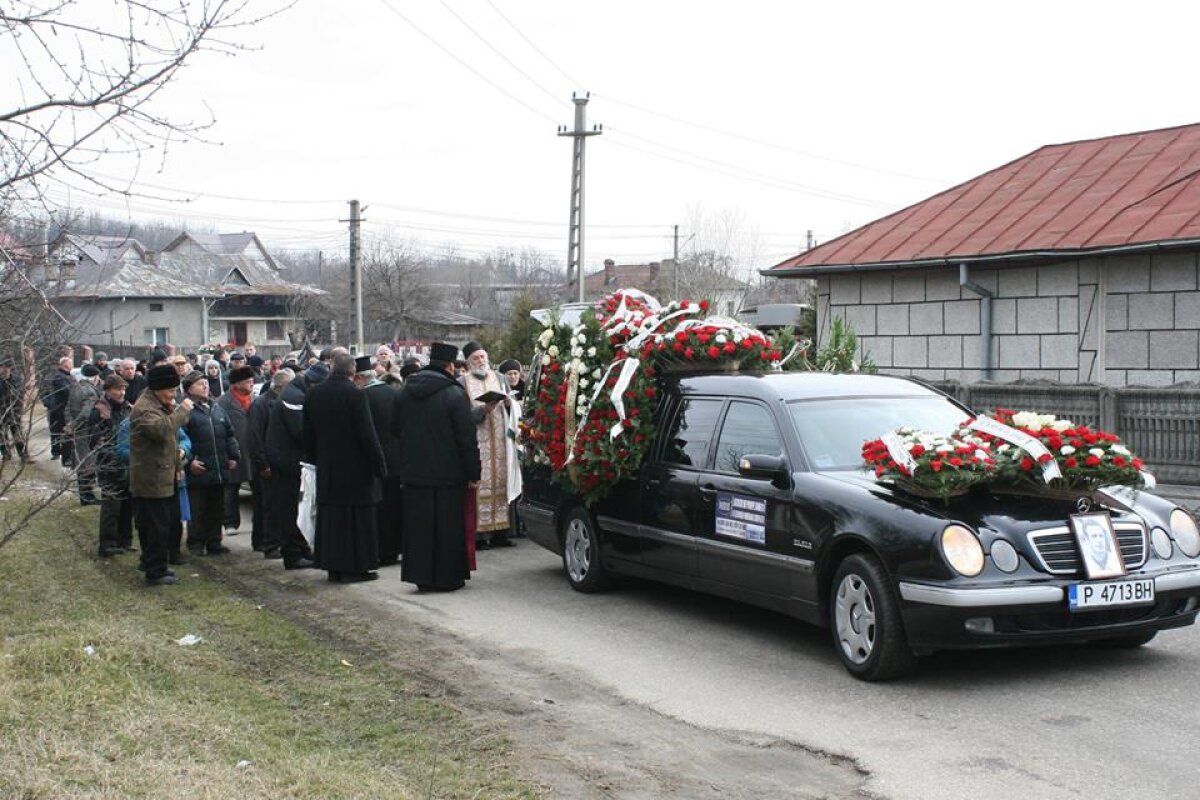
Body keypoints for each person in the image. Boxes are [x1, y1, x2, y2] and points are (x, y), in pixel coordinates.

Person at [395, 342, 480, 592]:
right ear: (450, 366)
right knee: (447, 527)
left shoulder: (405, 392)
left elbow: (393, 428)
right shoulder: (454, 395)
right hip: (447, 475)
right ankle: (447, 577)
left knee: (419, 528)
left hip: (413, 473)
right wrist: (473, 472)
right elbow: (466, 439)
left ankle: (421, 577)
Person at [303, 353, 387, 583]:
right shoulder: (356, 395)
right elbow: (367, 435)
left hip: (328, 467)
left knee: (332, 519)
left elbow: (308, 434)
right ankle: (355, 567)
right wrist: (380, 466)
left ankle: (333, 566)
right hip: (356, 468)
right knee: (356, 521)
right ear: (353, 373)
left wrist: (315, 459)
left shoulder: (313, 394)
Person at [129, 365, 192, 585]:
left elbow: (170, 442)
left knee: (157, 524)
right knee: (155, 526)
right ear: (157, 388)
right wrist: (181, 411)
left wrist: (178, 467)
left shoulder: (158, 404)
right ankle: (155, 570)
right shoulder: (145, 408)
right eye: (170, 390)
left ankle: (153, 562)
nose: (173, 395)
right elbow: (162, 431)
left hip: (162, 474)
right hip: (151, 478)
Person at [265, 363, 325, 570]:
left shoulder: (295, 393)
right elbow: (300, 432)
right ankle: (293, 553)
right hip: (288, 462)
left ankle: (301, 549)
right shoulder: (294, 399)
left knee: (295, 507)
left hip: (289, 460)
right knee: (291, 508)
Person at [459, 341, 518, 549]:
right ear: (468, 362)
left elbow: (513, 409)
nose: (481, 361)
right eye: (476, 358)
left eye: (483, 357)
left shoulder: (500, 378)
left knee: (502, 483)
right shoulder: (462, 383)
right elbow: (462, 417)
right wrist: (484, 410)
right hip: (478, 441)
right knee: (480, 485)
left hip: (501, 441)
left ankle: (501, 533)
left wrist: (511, 404)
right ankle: (480, 536)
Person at [181, 371, 240, 557]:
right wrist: (189, 462)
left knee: (217, 507)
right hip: (198, 469)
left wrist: (233, 456)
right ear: (189, 389)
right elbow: (179, 439)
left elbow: (229, 434)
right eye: (200, 384)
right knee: (198, 509)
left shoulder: (217, 408)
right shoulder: (185, 411)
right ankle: (196, 543)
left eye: (206, 383)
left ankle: (215, 542)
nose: (205, 387)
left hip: (219, 468)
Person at [361, 355, 404, 565]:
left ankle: (379, 550)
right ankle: (394, 548)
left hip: (374, 460)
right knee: (393, 506)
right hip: (395, 459)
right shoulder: (391, 391)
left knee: (377, 508)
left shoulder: (362, 396)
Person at [248, 368, 293, 558]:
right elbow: (256, 437)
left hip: (279, 462)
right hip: (267, 463)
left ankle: (274, 541)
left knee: (276, 504)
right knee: (268, 506)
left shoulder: (279, 402)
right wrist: (262, 463)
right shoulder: (261, 404)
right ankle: (269, 543)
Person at [90, 375, 132, 557]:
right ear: (108, 390)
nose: (122, 392)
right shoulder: (99, 410)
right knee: (111, 506)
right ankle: (107, 543)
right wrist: (111, 455)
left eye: (124, 389)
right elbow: (95, 440)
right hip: (109, 464)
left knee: (127, 504)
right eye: (118, 389)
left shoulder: (128, 408)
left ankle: (125, 540)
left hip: (128, 462)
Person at [217, 365, 255, 533]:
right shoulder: (224, 402)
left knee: (258, 489)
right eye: (248, 382)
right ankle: (230, 522)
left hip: (253, 451)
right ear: (237, 384)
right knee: (231, 488)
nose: (251, 385)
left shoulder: (254, 400)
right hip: (234, 451)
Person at [67, 363, 104, 504]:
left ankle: (86, 495)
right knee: (87, 463)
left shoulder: (76, 387)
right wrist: (75, 425)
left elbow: (67, 408)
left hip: (79, 431)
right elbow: (86, 413)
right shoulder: (89, 391)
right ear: (95, 377)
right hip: (87, 431)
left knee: (81, 461)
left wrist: (70, 424)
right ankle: (87, 496)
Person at [41, 355, 74, 463]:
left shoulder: (68, 376)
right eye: (70, 363)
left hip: (60, 409)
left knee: (59, 432)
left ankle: (61, 454)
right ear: (65, 365)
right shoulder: (60, 377)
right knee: (62, 432)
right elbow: (68, 391)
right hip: (60, 410)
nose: (72, 365)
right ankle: (63, 456)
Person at [0, 358, 29, 463]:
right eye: (2, 367)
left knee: (18, 433)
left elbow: (20, 392)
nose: (4, 369)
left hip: (14, 410)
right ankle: (6, 454)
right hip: (1, 411)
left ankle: (23, 454)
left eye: (7, 367)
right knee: (2, 435)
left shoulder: (16, 379)